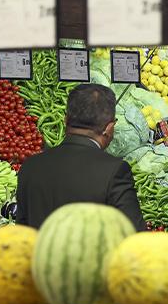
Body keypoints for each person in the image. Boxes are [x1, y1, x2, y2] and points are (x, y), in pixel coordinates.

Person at [16, 84, 145, 231]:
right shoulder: (115, 171)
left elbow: (22, 232)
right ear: (108, 128)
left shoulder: (31, 166)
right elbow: (135, 235)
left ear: (65, 121)